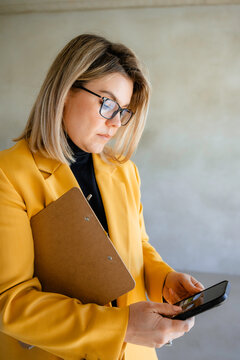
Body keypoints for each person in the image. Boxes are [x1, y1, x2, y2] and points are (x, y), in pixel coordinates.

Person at [0, 34, 204, 360]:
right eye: (107, 102)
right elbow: (11, 302)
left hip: (135, 353)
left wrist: (164, 278)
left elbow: (137, 246)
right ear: (65, 91)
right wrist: (120, 326)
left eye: (123, 111)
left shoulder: (124, 171)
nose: (114, 123)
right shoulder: (9, 174)